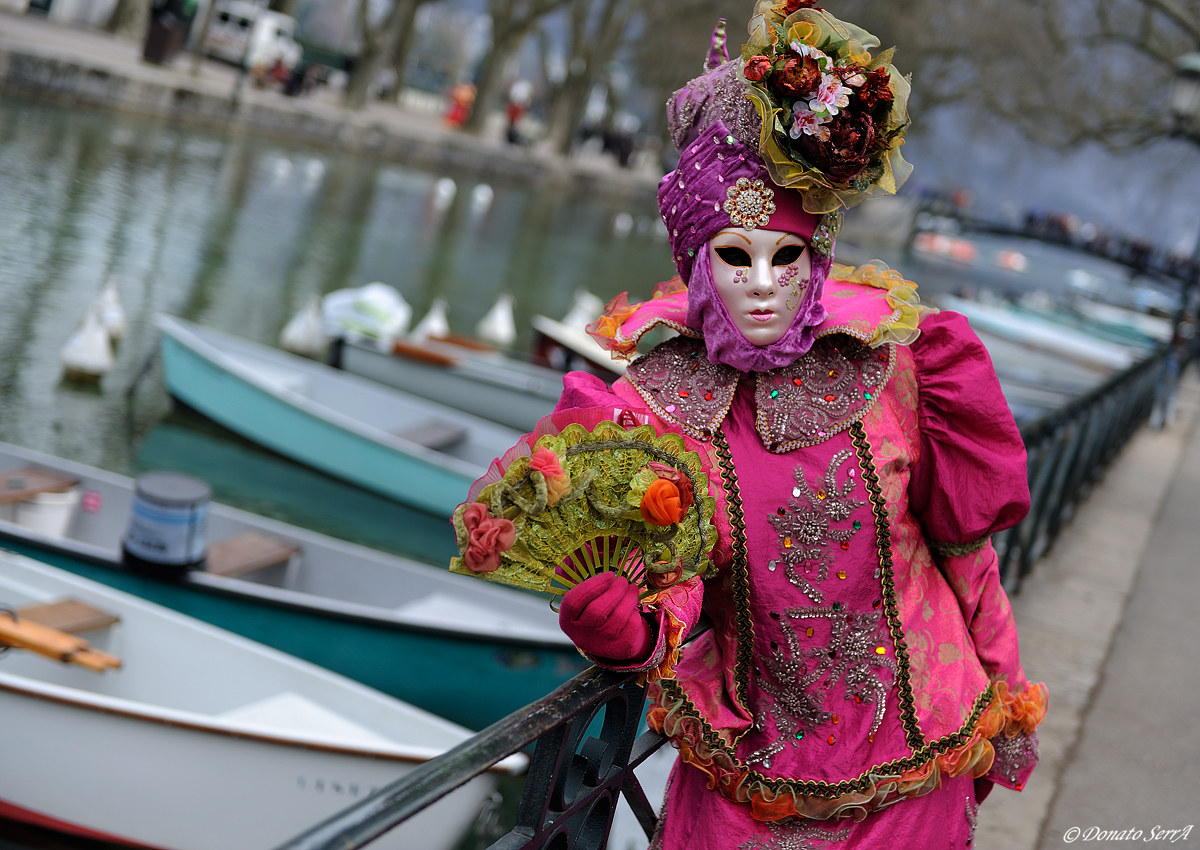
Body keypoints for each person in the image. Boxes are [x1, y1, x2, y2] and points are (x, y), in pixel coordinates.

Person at [453, 5, 1046, 847]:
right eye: (735, 255)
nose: (764, 283)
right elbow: (675, 579)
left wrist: (1005, 686)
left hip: (924, 761)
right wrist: (627, 627)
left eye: (787, 255)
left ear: (819, 257)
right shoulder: (661, 415)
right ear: (696, 264)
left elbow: (965, 557)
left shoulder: (900, 370)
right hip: (750, 788)